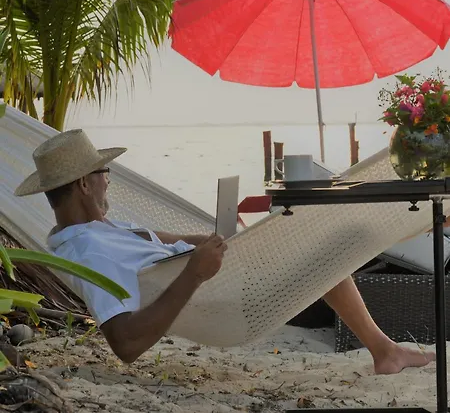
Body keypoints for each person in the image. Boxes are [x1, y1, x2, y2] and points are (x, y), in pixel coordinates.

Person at [15, 129, 435, 374]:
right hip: (224, 302)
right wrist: (195, 272)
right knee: (343, 239)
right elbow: (125, 344)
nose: (109, 180)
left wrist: (213, 240)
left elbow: (164, 241)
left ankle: (385, 347)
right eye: (105, 172)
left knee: (330, 235)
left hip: (221, 276)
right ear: (85, 184)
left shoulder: (100, 229)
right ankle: (386, 346)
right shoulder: (89, 252)